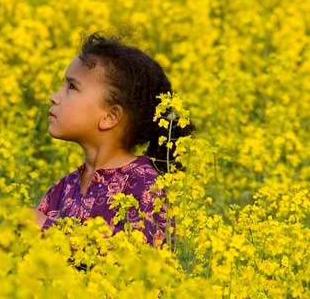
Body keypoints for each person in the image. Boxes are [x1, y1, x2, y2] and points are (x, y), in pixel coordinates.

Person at [32, 33, 194, 248]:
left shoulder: (146, 187)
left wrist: (46, 230)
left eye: (72, 87)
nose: (54, 96)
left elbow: (137, 263)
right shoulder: (64, 187)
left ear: (110, 117)